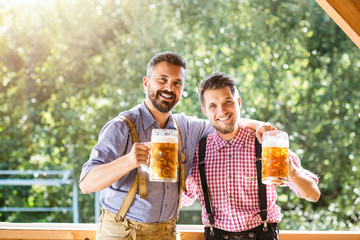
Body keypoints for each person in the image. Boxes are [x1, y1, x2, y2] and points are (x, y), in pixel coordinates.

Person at [79, 52, 274, 240]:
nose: (169, 88)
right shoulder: (122, 126)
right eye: (162, 80)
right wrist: (129, 161)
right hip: (122, 232)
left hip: (166, 232)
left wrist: (258, 125)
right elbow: (87, 184)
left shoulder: (186, 127)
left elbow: (223, 120)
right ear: (146, 83)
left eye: (177, 83)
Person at [181, 72, 321, 240]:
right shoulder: (198, 151)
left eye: (228, 102)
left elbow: (313, 194)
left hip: (262, 234)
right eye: (213, 106)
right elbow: (183, 199)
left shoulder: (266, 143)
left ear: (238, 103)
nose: (222, 111)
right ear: (205, 111)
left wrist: (292, 171)